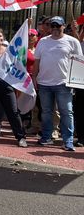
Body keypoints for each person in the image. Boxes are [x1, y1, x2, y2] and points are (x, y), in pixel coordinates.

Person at [33, 16, 82, 151]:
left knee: (66, 111)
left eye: (57, 26)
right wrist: (34, 77)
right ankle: (47, 137)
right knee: (46, 112)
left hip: (64, 83)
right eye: (52, 26)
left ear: (63, 26)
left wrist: (75, 82)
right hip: (44, 83)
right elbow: (37, 61)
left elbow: (78, 62)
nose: (55, 28)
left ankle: (68, 141)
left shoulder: (72, 42)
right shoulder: (42, 42)